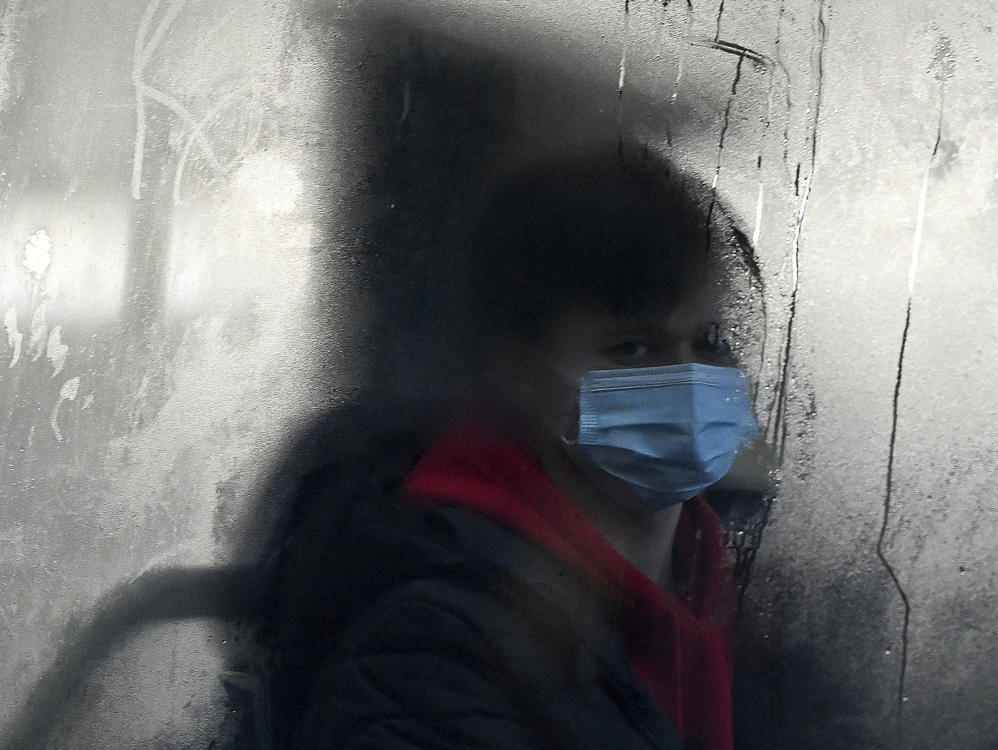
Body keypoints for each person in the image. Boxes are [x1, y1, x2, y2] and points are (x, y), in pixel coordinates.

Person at [267, 147, 761, 750]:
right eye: (631, 347)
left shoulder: (742, 600)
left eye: (710, 340)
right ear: (517, 371)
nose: (688, 378)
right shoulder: (435, 639)